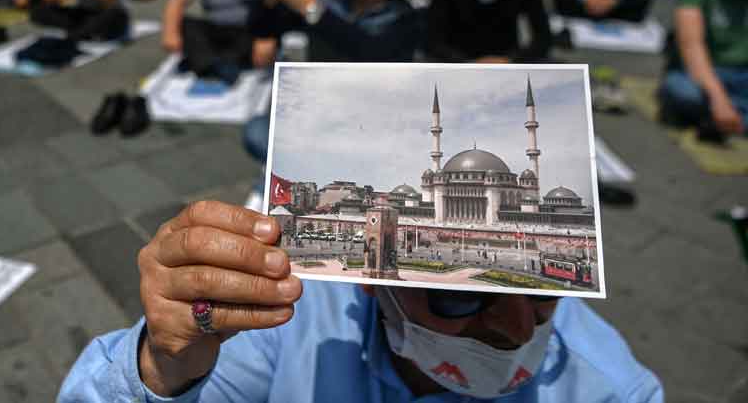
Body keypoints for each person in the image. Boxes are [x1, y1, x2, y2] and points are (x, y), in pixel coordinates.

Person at [58, 200, 662, 402]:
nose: (517, 329)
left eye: (541, 291)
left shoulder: (608, 389)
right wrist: (163, 367)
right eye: (460, 298)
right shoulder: (290, 313)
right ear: (372, 280)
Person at [242, 0, 417, 162]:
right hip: (310, 115)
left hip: (360, 127)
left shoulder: (405, 19)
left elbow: (372, 54)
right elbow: (263, 27)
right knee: (256, 132)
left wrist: (311, 8)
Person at [658, 0, 748, 140]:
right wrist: (719, 100)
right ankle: (730, 116)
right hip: (704, 74)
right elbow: (692, 46)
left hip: (743, 76)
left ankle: (722, 119)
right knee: (680, 90)